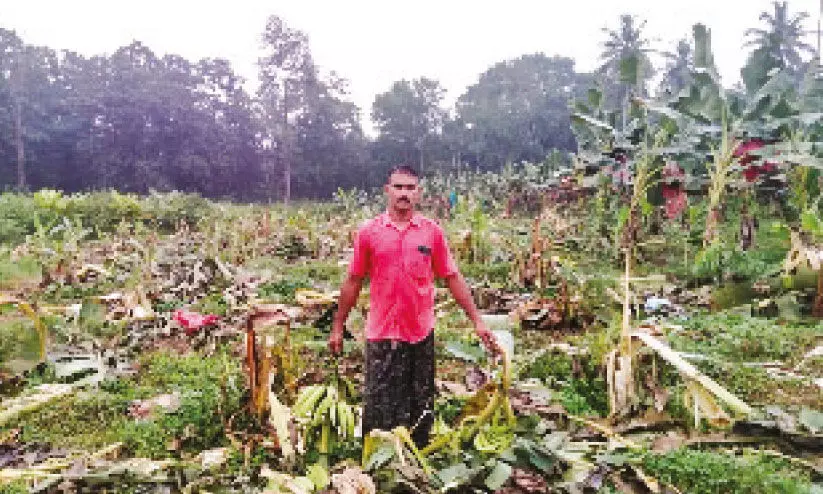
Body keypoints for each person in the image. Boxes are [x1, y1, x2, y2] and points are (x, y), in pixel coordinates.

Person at [329, 164, 500, 448]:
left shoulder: (431, 233)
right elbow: (353, 280)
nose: (404, 193)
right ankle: (377, 461)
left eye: (410, 188)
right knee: (378, 408)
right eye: (398, 187)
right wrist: (338, 326)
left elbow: (452, 277)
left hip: (419, 333)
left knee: (420, 408)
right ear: (387, 190)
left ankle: (417, 460)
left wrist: (477, 321)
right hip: (382, 332)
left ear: (418, 193)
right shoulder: (369, 232)